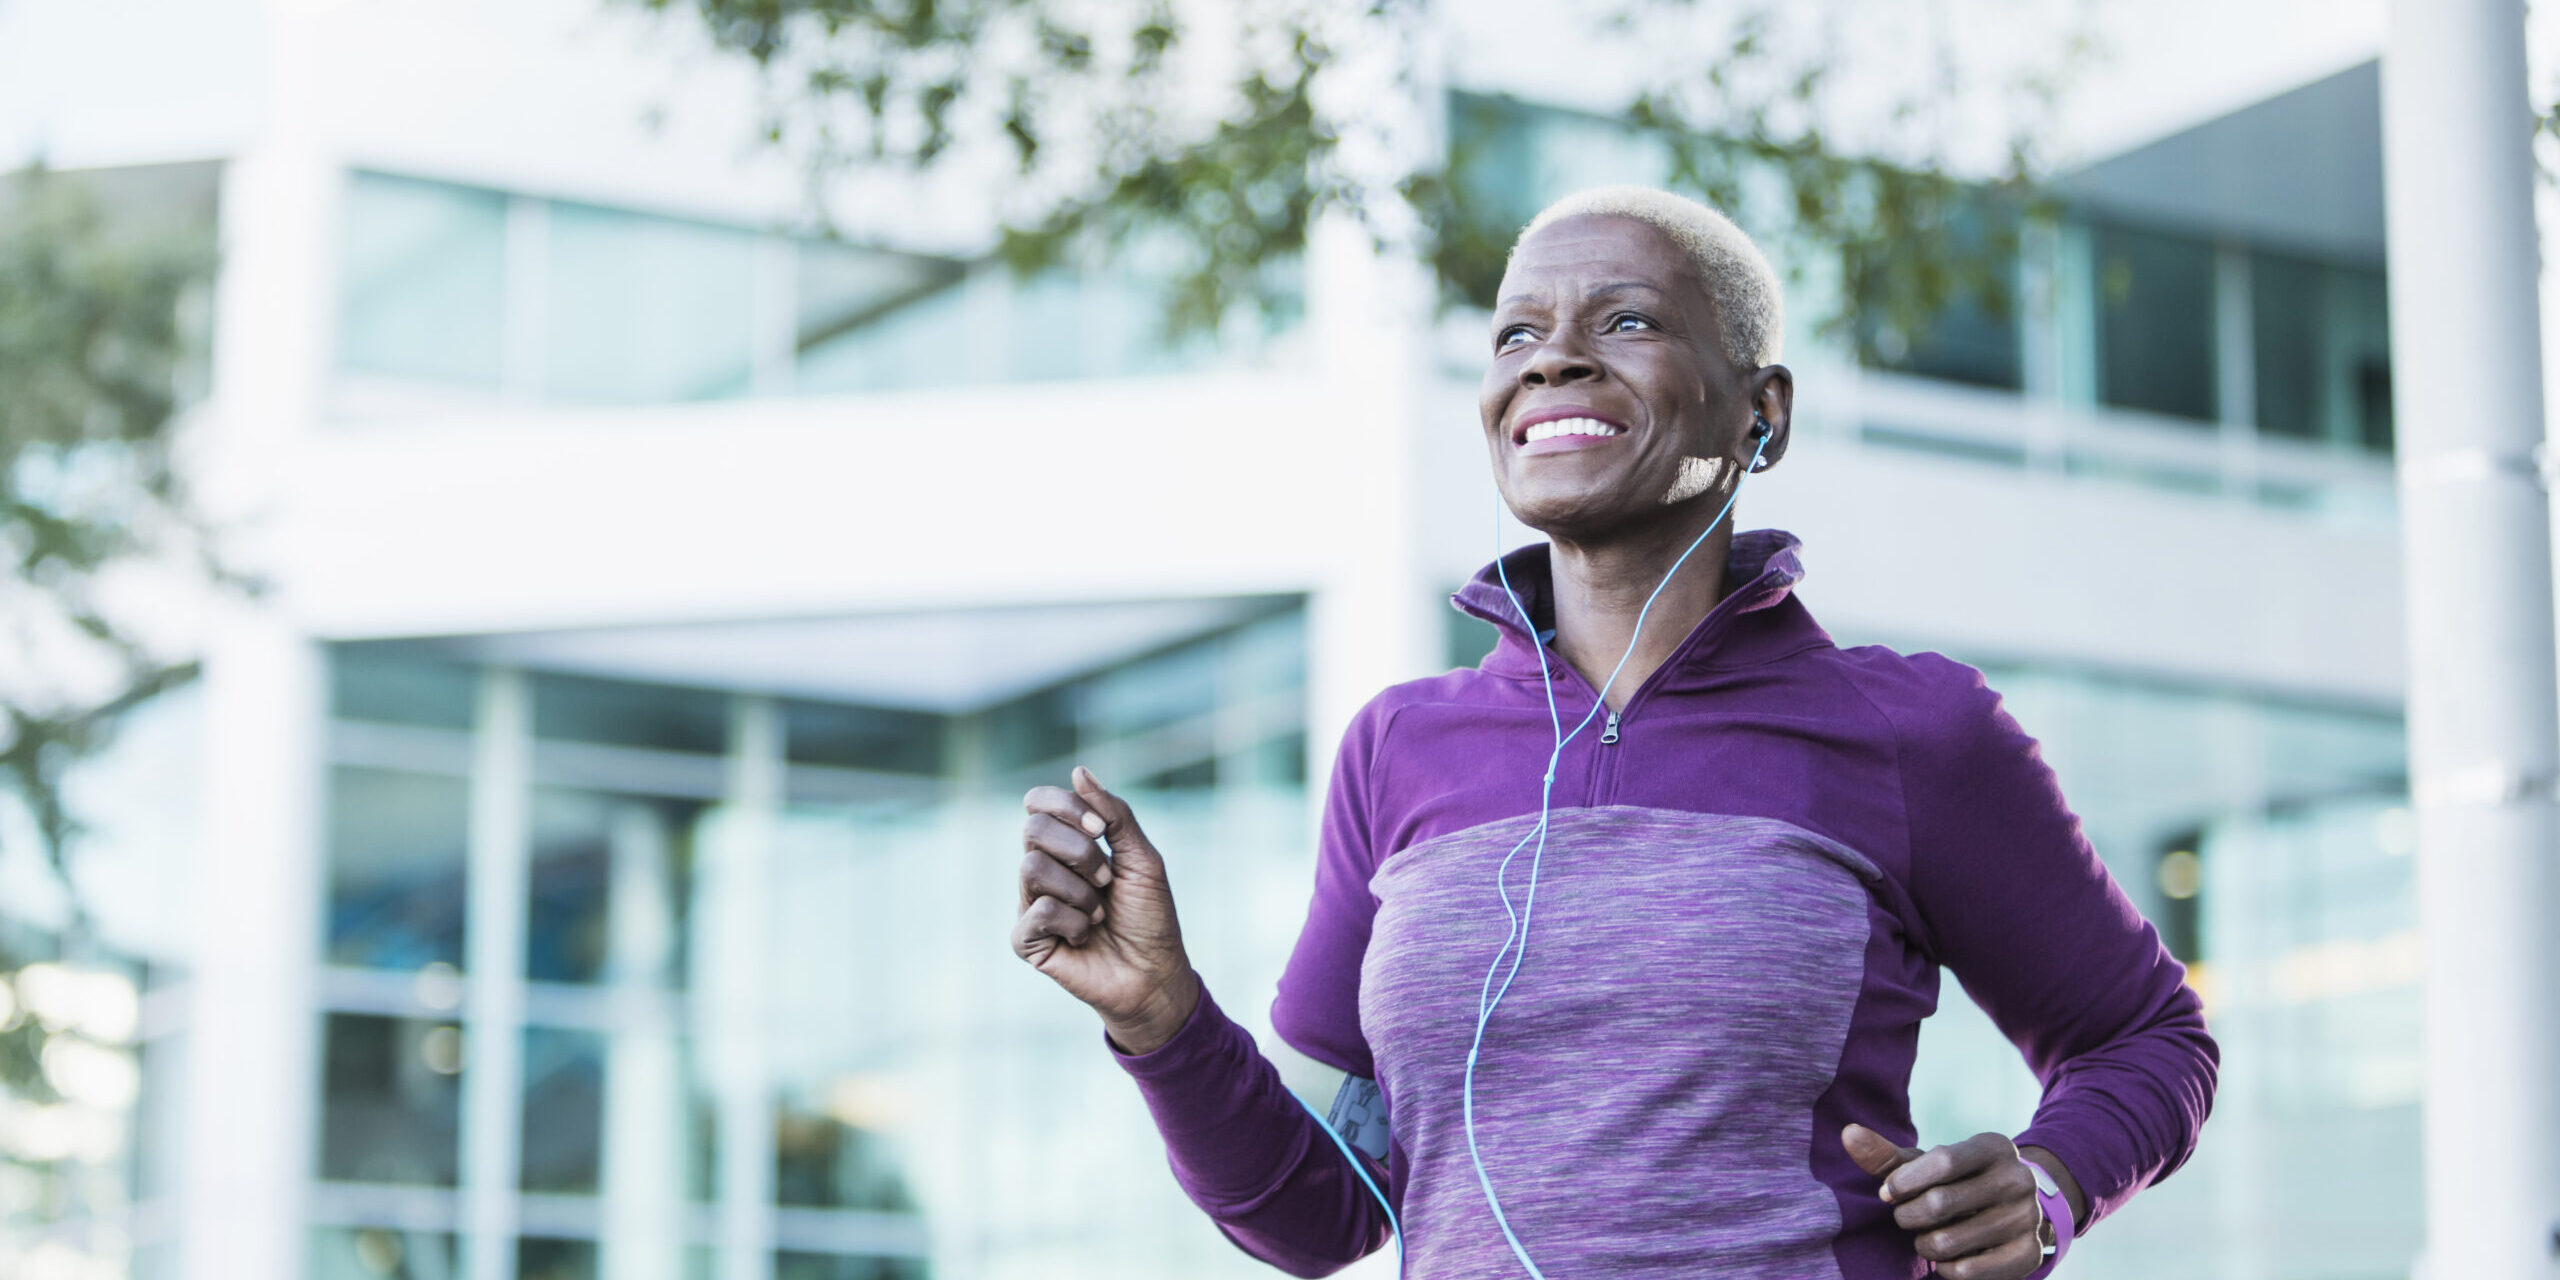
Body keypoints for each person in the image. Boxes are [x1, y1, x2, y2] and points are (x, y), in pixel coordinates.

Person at [1011, 185, 2218, 1280]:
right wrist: (1159, 1016)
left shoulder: (1912, 729)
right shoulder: (1400, 748)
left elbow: (2149, 1038)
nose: (1553, 362)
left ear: (1762, 410)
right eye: (1515, 335)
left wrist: (2050, 1184)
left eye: (1627, 321)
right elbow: (1320, 1216)